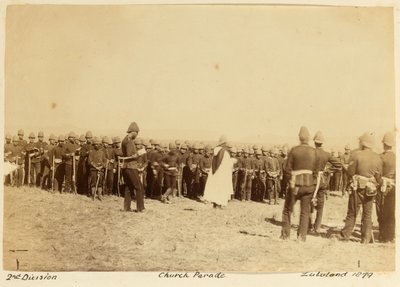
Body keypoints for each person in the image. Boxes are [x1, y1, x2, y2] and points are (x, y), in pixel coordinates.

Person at [336, 132, 382, 244]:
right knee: (367, 213)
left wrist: (347, 169)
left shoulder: (356, 155)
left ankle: (345, 235)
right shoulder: (377, 157)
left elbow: (351, 172)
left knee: (352, 212)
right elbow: (379, 176)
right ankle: (366, 238)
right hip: (371, 188)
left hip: (358, 188)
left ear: (362, 143)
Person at [281, 126, 317, 242]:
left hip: (295, 185)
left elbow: (287, 169)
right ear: (309, 138)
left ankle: (285, 235)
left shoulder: (294, 150)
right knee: (305, 212)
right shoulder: (314, 151)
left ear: (299, 138)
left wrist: (287, 183)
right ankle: (302, 237)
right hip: (309, 186)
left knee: (287, 209)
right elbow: (316, 171)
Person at [309, 131, 342, 233]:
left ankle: (309, 226)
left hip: (312, 180)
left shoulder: (310, 152)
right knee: (321, 205)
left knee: (309, 202)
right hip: (323, 181)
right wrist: (327, 171)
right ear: (322, 143)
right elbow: (339, 165)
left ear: (314, 142)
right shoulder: (326, 154)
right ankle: (317, 227)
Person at [203, 136, 237, 208]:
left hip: (216, 173)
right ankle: (219, 204)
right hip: (222, 174)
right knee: (221, 188)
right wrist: (232, 161)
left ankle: (215, 204)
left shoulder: (216, 151)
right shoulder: (224, 152)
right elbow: (225, 164)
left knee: (215, 187)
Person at [121, 122, 145, 212]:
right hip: (131, 167)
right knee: (139, 187)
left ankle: (126, 208)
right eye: (137, 133)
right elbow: (131, 155)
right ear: (133, 132)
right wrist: (140, 153)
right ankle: (140, 208)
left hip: (125, 167)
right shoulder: (129, 142)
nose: (137, 135)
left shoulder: (124, 140)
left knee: (128, 187)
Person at [376, 132, 395, 243]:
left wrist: (379, 182)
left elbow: (377, 173)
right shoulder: (396, 157)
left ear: (384, 144)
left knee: (380, 210)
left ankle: (382, 235)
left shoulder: (381, 157)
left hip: (382, 185)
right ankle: (390, 235)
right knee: (391, 211)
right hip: (393, 186)